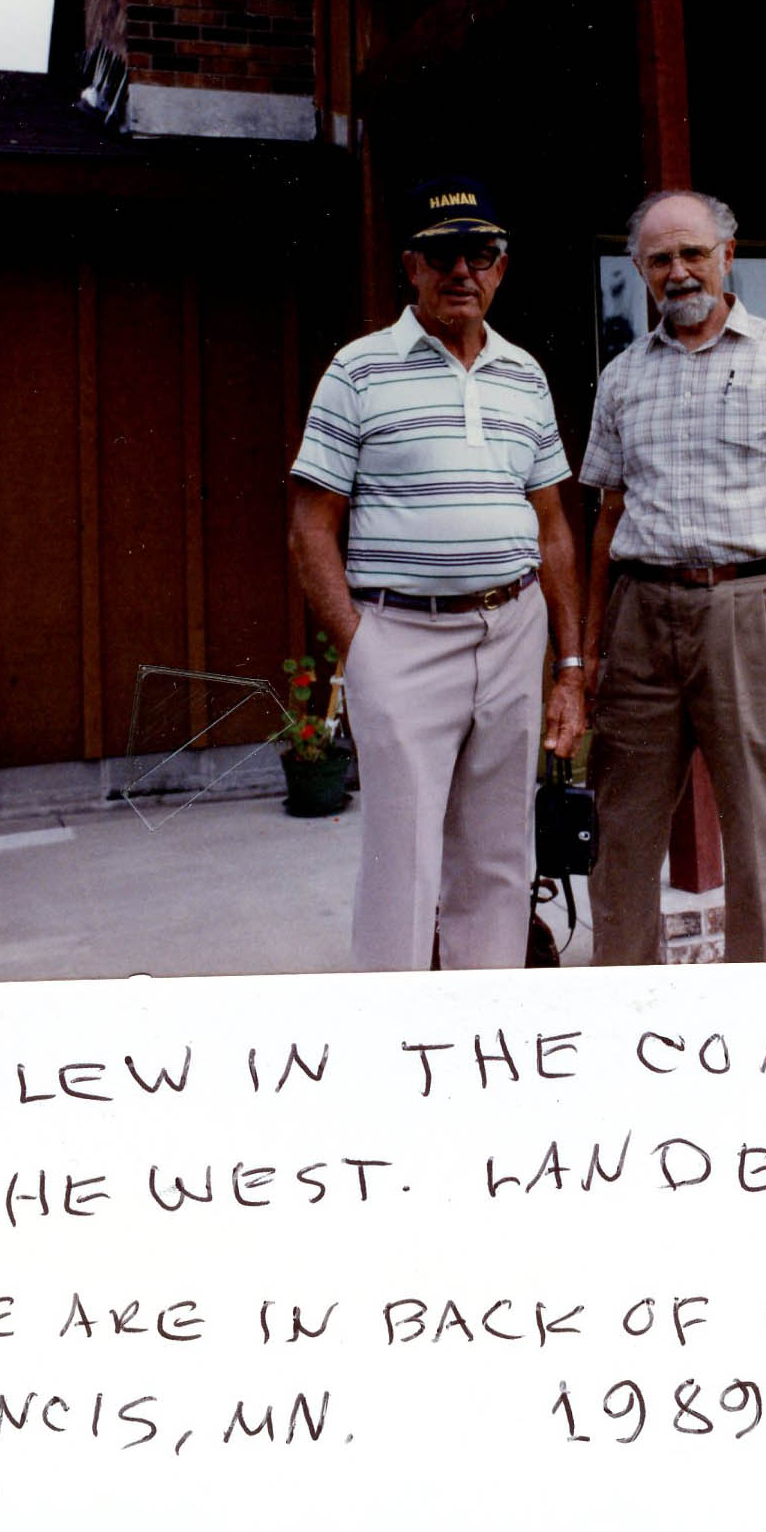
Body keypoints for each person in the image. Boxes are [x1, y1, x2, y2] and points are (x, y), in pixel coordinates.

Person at [288, 183, 588, 971]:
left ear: (500, 269)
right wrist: (361, 648)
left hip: (513, 631)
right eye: (443, 254)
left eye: (479, 254)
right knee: (402, 860)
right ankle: (399, 1026)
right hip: (401, 635)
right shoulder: (357, 370)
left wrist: (568, 665)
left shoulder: (524, 374)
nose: (462, 270)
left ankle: (485, 1024)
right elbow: (310, 528)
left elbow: (553, 530)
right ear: (412, 266)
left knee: (500, 853)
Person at [579, 188, 766, 966]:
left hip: (756, 608)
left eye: (692, 254)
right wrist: (590, 648)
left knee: (764, 840)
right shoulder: (621, 377)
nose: (677, 272)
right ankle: (625, 1006)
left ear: (727, 257)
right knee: (620, 835)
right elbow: (607, 516)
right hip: (640, 615)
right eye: (659, 259)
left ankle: (762, 1015)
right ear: (640, 270)